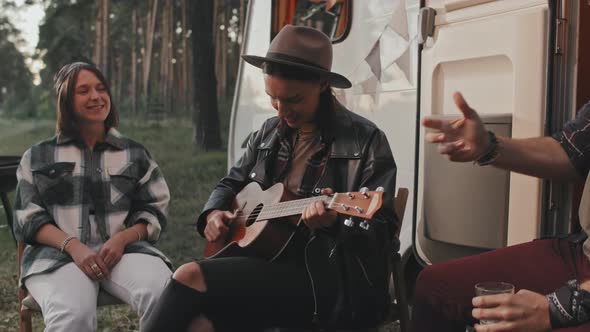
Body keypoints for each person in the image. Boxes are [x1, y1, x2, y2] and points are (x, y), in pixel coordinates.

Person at [143, 25, 398, 332]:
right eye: (273, 99)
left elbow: (382, 230)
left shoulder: (365, 140)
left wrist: (333, 225)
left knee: (189, 275)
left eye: (293, 100)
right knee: (199, 326)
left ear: (320, 83)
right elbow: (230, 183)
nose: (281, 111)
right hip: (262, 262)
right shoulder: (268, 133)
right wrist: (213, 212)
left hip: (327, 281)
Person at [13, 62, 173, 332]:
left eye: (101, 88)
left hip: (123, 253)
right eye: (83, 90)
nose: (96, 96)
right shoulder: (37, 156)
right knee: (72, 315)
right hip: (57, 256)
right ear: (66, 101)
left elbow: (155, 207)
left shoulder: (135, 153)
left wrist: (123, 239)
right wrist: (73, 246)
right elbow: (27, 218)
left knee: (167, 295)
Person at [412, 92, 590, 331]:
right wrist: (488, 146)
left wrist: (559, 308)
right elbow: (570, 152)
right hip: (582, 254)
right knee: (436, 286)